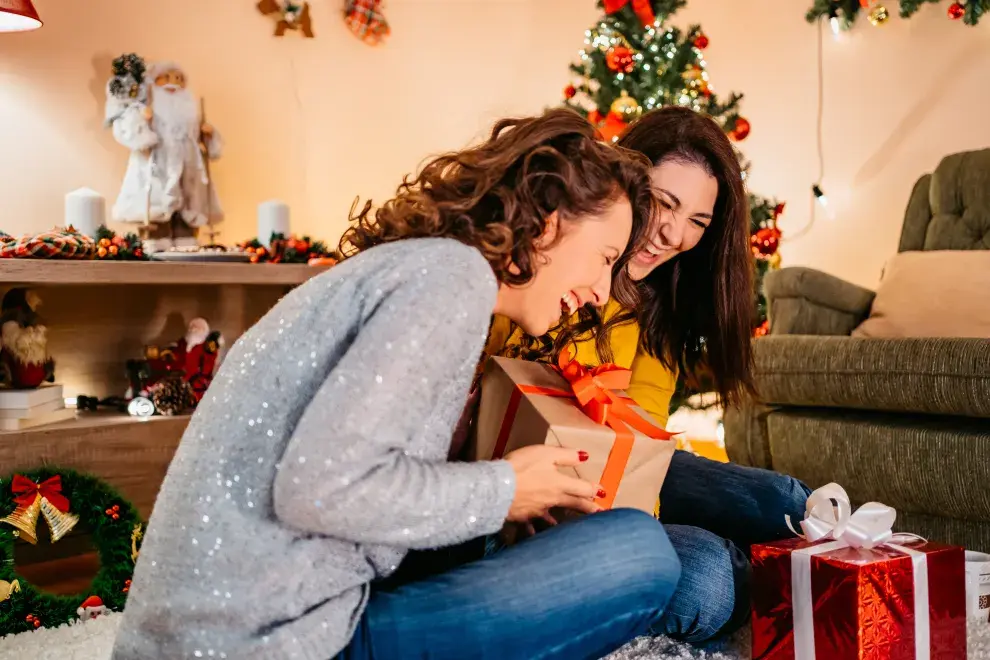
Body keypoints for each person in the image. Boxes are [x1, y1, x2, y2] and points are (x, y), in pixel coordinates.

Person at [111, 108, 683, 660]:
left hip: (227, 627)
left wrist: (499, 502)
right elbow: (318, 488)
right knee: (639, 552)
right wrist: (503, 489)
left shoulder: (424, 267)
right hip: (271, 640)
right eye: (607, 257)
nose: (604, 292)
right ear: (551, 221)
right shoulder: (452, 279)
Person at [486, 106, 811, 644]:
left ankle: (815, 571)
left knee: (788, 504)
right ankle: (748, 570)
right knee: (706, 579)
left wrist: (637, 523)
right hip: (530, 480)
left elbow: (639, 439)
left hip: (619, 471)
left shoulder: (657, 301)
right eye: (663, 203)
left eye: (698, 223)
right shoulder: (550, 257)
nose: (672, 232)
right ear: (626, 185)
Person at [106, 59, 222, 246]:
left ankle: (186, 238)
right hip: (157, 165)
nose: (173, 83)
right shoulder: (146, 105)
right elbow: (128, 131)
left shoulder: (189, 110)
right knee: (156, 204)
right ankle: (156, 239)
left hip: (187, 168)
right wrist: (143, 122)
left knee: (187, 205)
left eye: (178, 78)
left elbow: (206, 144)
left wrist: (208, 134)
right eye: (166, 77)